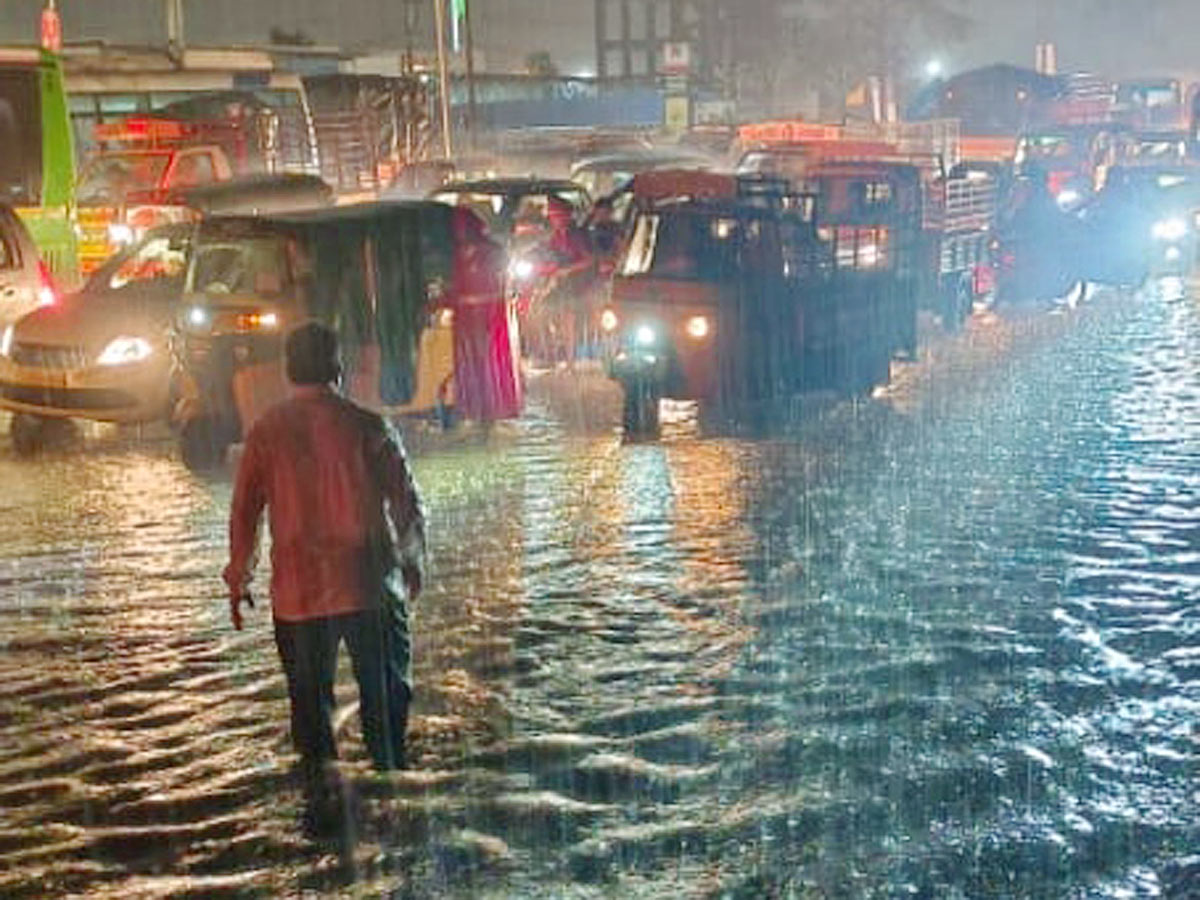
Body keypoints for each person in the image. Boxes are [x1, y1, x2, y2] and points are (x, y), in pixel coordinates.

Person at [223, 321, 425, 835]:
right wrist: (412, 560)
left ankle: (324, 815)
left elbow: (245, 513)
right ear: (338, 368)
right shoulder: (368, 426)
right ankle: (392, 789)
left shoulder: (266, 432)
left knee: (310, 709)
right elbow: (405, 502)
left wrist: (239, 576)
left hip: (298, 596)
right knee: (385, 694)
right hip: (368, 587)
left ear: (289, 370)